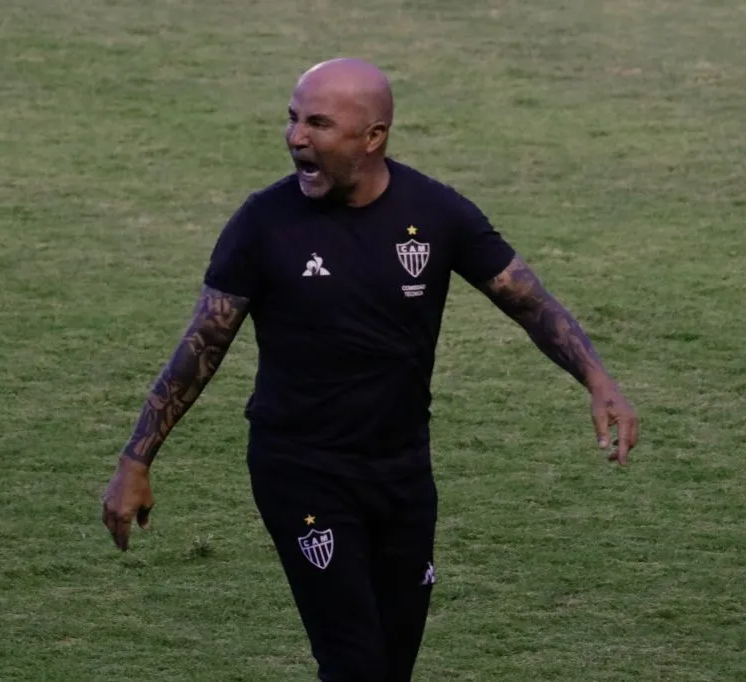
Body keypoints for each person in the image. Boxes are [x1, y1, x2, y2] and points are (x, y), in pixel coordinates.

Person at [102, 57, 639, 682]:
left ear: (373, 137)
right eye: (294, 119)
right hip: (301, 469)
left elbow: (525, 298)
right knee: (353, 662)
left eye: (319, 124)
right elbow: (203, 343)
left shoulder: (437, 214)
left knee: (392, 660)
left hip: (403, 472)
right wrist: (136, 459)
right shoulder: (263, 223)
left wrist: (598, 380)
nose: (296, 138)